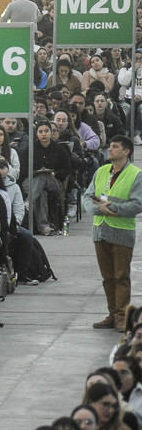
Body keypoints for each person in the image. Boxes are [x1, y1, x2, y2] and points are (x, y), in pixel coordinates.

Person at [83, 136, 142, 332]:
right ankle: (112, 313)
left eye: (115, 147)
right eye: (110, 146)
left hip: (122, 232)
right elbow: (87, 197)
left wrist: (112, 207)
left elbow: (138, 204)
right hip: (100, 230)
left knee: (121, 277)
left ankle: (122, 316)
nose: (110, 149)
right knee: (107, 277)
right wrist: (97, 209)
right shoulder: (101, 171)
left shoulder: (136, 174)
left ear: (126, 151)